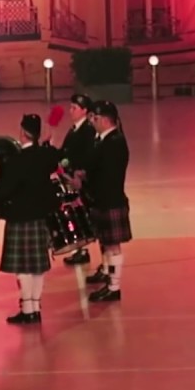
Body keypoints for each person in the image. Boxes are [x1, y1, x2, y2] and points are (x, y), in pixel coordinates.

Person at [0, 114, 60, 324]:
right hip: (39, 217)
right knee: (37, 266)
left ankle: (28, 310)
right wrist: (47, 144)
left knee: (23, 267)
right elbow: (55, 156)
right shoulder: (46, 156)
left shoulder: (16, 161)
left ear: (23, 132)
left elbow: (4, 190)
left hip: (20, 218)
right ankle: (35, 306)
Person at [82, 100, 131, 302]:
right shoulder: (108, 140)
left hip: (109, 200)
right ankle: (111, 283)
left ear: (103, 119)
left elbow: (105, 174)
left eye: (94, 118)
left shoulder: (113, 143)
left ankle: (114, 286)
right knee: (108, 245)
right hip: (106, 200)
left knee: (113, 247)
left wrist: (85, 179)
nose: (92, 121)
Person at [58, 94, 97, 267]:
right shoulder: (74, 129)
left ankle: (86, 249)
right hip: (69, 177)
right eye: (71, 107)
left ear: (85, 111)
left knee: (85, 214)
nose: (70, 111)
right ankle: (81, 249)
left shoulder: (88, 130)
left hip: (80, 180)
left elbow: (88, 155)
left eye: (75, 108)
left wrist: (78, 173)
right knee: (76, 213)